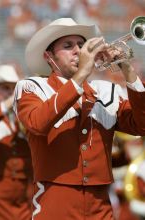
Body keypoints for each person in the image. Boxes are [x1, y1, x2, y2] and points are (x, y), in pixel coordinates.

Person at [13, 17, 145, 220]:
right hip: (55, 201)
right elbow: (37, 123)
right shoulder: (33, 87)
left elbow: (141, 126)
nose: (78, 51)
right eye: (68, 46)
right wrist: (82, 74)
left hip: (100, 204)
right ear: (49, 56)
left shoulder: (105, 90)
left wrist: (127, 69)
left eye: (82, 45)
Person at [0, 64, 33, 220]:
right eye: (5, 88)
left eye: (13, 88)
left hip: (24, 195)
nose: (10, 93)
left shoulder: (21, 117)